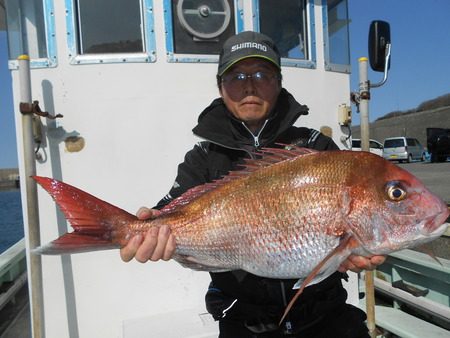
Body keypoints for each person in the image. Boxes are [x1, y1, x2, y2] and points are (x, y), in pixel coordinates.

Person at [120, 31, 386, 337]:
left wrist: (355, 251)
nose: (249, 85)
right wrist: (146, 230)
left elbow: (350, 230)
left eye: (262, 74)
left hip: (325, 317)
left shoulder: (317, 146)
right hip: (243, 323)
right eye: (235, 76)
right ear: (221, 87)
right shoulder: (204, 158)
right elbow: (167, 213)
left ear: (279, 82)